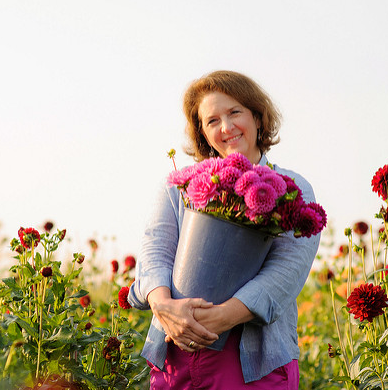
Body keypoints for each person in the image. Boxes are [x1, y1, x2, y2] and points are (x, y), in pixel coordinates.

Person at [127, 70, 321, 389]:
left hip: (254, 361)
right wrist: (164, 306)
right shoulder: (179, 186)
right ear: (203, 133)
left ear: (258, 118)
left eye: (234, 113)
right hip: (177, 349)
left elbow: (285, 274)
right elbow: (154, 253)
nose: (226, 128)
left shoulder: (293, 189)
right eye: (212, 120)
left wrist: (220, 318)